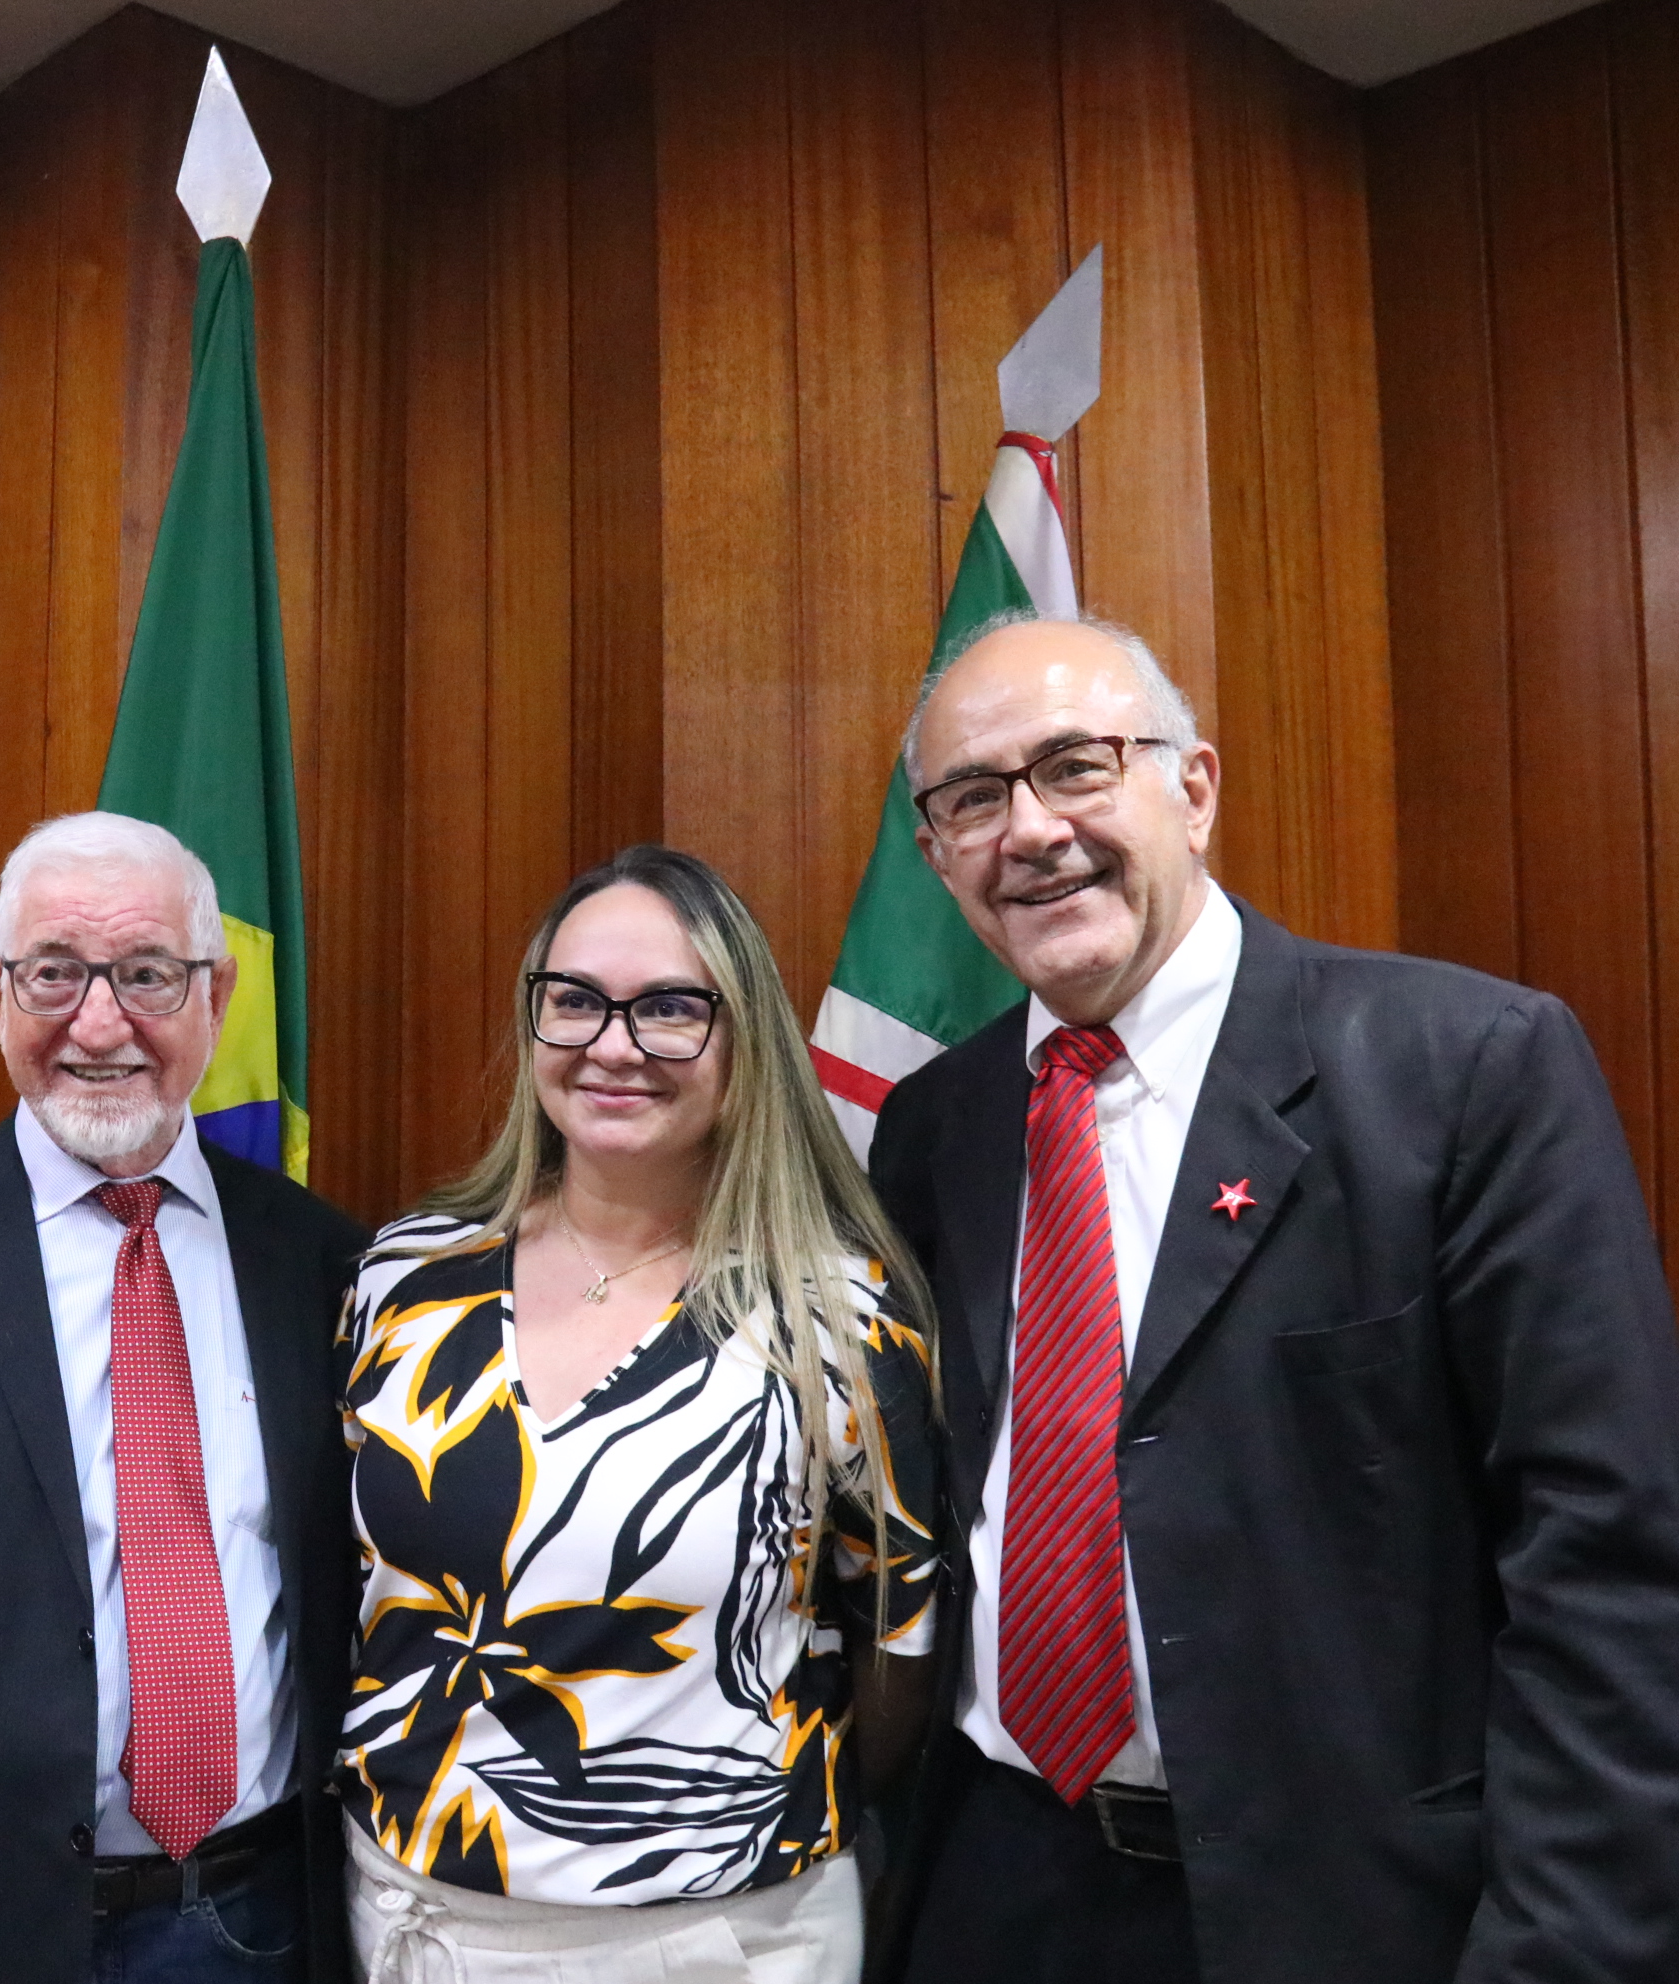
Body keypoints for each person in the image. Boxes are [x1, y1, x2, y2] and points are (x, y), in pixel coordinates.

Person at [872, 611, 1679, 1983]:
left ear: (1193, 790)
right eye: (973, 797)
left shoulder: (1467, 1070)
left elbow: (1607, 1566)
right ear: (938, 852)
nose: (1031, 829)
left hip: (1353, 1908)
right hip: (997, 1885)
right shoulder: (936, 1127)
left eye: (1076, 766)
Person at [0, 812, 367, 1984]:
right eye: (55, 973)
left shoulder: (320, 1259)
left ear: (215, 994)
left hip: (266, 1916)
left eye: (146, 974)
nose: (98, 1022)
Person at [335, 843, 939, 1982]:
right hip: (411, 1922)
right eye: (575, 1001)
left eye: (669, 1008)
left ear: (743, 1041)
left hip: (725, 1941)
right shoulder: (404, 1279)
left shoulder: (839, 1317)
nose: (613, 1045)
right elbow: (347, 1590)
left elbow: (897, 1647)